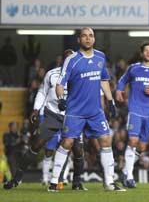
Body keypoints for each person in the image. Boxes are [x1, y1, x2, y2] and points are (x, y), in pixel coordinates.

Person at [47, 28, 125, 192]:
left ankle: (109, 182)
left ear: (94, 39)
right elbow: (60, 84)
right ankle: (54, 181)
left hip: (95, 111)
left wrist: (110, 102)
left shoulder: (100, 57)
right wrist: (61, 100)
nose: (88, 39)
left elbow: (104, 80)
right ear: (79, 40)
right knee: (67, 142)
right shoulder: (72, 59)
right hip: (75, 111)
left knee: (106, 140)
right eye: (84, 36)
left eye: (91, 36)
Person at [3, 50, 88, 190]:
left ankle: (77, 182)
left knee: (78, 149)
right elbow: (42, 92)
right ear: (62, 61)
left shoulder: (80, 76)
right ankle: (16, 179)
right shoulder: (51, 74)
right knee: (36, 144)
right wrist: (36, 109)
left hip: (73, 117)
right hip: (53, 115)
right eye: (67, 59)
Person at [115, 41, 149, 188]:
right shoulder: (133, 68)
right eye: (145, 50)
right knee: (133, 141)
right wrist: (118, 90)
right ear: (142, 53)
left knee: (142, 147)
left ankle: (125, 170)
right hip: (135, 110)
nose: (148, 53)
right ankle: (130, 177)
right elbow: (122, 81)